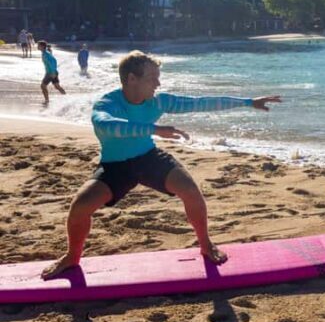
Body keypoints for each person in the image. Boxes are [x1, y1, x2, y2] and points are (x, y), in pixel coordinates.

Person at [41, 50, 283, 279]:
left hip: (149, 158)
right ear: (132, 79)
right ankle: (72, 257)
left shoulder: (157, 102)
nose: (158, 84)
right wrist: (154, 129)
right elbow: (109, 126)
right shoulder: (107, 104)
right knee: (79, 207)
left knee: (190, 190)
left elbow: (201, 103)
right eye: (153, 78)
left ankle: (206, 245)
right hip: (116, 166)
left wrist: (248, 102)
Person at [37, 40, 66, 104]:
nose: (37, 46)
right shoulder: (45, 53)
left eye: (38, 45)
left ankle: (47, 101)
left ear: (42, 46)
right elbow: (54, 61)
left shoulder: (46, 54)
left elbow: (53, 62)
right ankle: (66, 97)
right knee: (57, 86)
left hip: (50, 73)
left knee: (43, 86)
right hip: (53, 72)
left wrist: (52, 72)